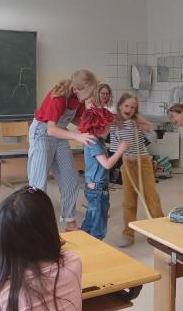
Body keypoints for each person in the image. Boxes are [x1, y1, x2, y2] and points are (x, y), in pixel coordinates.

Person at [27, 70, 97, 231]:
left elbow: (77, 119)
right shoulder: (58, 97)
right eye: (89, 92)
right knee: (37, 185)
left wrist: (92, 125)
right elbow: (51, 129)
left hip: (60, 134)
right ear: (76, 89)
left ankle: (70, 222)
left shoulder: (78, 98)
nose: (90, 96)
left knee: (71, 181)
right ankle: (34, 227)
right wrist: (77, 136)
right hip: (42, 134)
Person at [111, 92, 164, 248]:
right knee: (128, 201)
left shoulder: (137, 121)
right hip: (127, 164)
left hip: (143, 162)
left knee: (152, 198)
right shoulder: (114, 123)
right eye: (126, 106)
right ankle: (128, 234)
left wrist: (148, 127)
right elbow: (114, 148)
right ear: (120, 106)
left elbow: (153, 139)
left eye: (132, 107)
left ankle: (160, 232)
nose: (129, 109)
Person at [79, 105, 127, 240]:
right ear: (98, 127)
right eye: (107, 126)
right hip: (98, 189)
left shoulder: (95, 140)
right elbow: (107, 164)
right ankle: (96, 247)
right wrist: (120, 150)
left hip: (93, 188)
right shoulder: (94, 142)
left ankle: (83, 242)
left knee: (91, 220)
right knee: (98, 226)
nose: (110, 129)